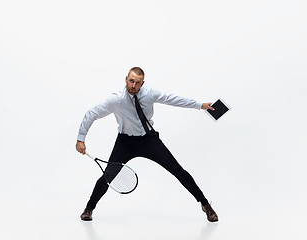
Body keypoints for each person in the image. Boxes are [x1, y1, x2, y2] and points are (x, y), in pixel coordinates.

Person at [76, 67, 218, 222]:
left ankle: (205, 205)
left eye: (137, 82)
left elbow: (173, 99)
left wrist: (200, 105)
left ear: (142, 83)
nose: (133, 85)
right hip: (126, 142)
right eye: (131, 81)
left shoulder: (150, 93)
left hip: (149, 140)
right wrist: (81, 138)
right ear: (126, 79)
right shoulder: (116, 99)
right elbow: (92, 113)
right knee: (108, 176)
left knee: (178, 170)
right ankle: (89, 208)